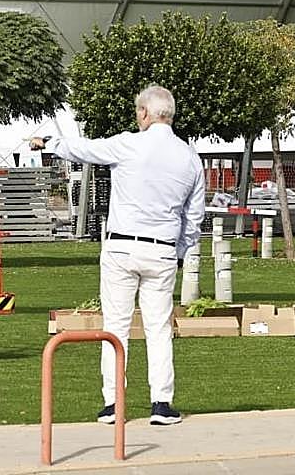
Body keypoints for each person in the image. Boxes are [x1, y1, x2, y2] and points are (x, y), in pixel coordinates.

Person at [31, 85, 204, 426]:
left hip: (122, 246)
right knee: (158, 328)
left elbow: (84, 150)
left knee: (116, 326)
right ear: (169, 114)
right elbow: (193, 216)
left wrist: (50, 143)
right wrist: (181, 252)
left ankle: (113, 403)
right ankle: (162, 403)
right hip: (163, 250)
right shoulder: (189, 157)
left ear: (144, 113)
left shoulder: (129, 143)